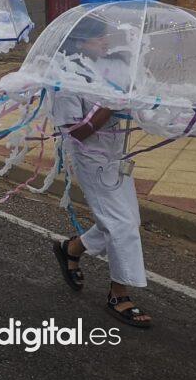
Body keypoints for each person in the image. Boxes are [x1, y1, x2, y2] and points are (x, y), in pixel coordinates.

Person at [51, 18, 152, 328]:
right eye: (98, 38)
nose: (106, 42)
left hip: (117, 157)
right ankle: (118, 294)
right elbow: (75, 131)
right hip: (91, 160)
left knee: (128, 220)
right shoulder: (66, 77)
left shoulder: (107, 67)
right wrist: (110, 104)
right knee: (121, 224)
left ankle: (72, 249)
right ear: (80, 42)